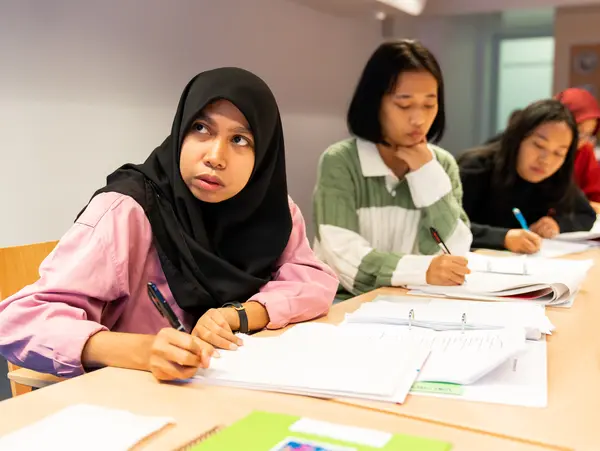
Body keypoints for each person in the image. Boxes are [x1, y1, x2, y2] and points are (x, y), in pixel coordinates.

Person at [0, 68, 338, 381]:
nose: (215, 156)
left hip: (231, 390)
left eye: (240, 140)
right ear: (180, 130)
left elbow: (313, 280)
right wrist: (139, 351)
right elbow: (18, 321)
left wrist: (238, 316)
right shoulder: (127, 211)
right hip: (135, 401)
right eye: (201, 129)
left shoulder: (272, 211)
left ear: (263, 155)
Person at [313, 40, 473, 297]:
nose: (418, 119)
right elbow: (344, 258)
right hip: (346, 304)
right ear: (374, 102)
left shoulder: (441, 164)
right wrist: (422, 271)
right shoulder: (341, 161)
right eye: (404, 104)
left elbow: (455, 252)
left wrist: (426, 173)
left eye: (429, 104)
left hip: (418, 305)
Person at [458, 99, 596, 253]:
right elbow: (446, 226)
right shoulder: (475, 168)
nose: (546, 160)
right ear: (518, 139)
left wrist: (557, 224)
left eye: (559, 153)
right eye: (538, 145)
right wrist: (503, 237)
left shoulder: (556, 175)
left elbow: (586, 215)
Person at [556, 87, 600, 212]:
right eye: (578, 132)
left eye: (588, 134)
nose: (581, 141)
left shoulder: (585, 150)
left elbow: (595, 196)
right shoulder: (546, 152)